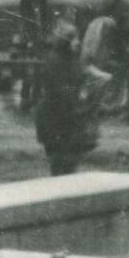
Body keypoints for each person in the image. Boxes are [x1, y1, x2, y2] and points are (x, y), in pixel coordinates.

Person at [35, 25, 104, 176]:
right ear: (65, 41)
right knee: (61, 160)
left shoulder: (71, 59)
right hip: (56, 117)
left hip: (66, 115)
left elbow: (78, 79)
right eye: (74, 38)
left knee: (70, 160)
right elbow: (60, 90)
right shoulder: (55, 61)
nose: (77, 42)